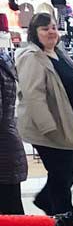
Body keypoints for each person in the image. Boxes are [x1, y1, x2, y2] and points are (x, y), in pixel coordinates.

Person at [16, 13, 73, 225]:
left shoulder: (58, 54)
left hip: (72, 123)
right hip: (52, 127)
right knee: (60, 172)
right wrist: (48, 127)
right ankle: (65, 217)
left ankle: (46, 199)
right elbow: (33, 95)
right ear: (34, 33)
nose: (51, 32)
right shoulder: (31, 57)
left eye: (53, 27)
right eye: (45, 29)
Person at [0, 45, 27, 214]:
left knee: (10, 220)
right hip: (7, 147)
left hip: (3, 151)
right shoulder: (4, 61)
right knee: (13, 217)